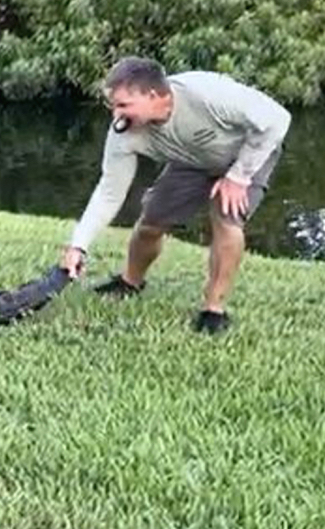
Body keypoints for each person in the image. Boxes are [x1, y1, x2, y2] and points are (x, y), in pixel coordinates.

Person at [59, 56, 291, 334]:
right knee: (151, 221)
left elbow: (278, 119)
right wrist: (78, 246)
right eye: (113, 106)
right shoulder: (124, 134)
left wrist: (239, 176)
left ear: (154, 95)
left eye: (123, 105)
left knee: (226, 217)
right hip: (192, 160)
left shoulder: (206, 93)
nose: (116, 115)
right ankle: (130, 282)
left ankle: (213, 310)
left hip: (248, 155)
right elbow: (109, 191)